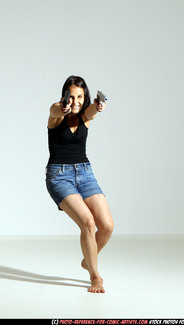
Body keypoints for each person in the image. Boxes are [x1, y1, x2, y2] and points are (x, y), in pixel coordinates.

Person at [45, 75, 114, 293]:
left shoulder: (85, 116)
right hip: (59, 176)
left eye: (80, 97)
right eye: (71, 96)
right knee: (87, 222)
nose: (75, 101)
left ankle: (87, 260)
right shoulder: (56, 115)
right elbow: (55, 110)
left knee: (107, 226)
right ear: (64, 95)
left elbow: (91, 111)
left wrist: (97, 105)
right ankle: (95, 277)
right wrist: (63, 106)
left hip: (85, 173)